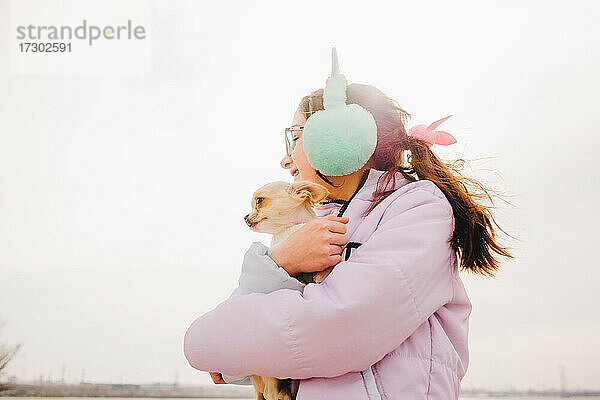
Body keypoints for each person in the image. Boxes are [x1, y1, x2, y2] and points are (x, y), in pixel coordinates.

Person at [184, 50, 512, 400]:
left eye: (294, 138)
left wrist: (233, 340)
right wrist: (279, 265)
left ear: (337, 136)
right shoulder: (309, 229)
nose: (285, 159)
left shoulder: (419, 210)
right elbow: (218, 356)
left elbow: (335, 331)